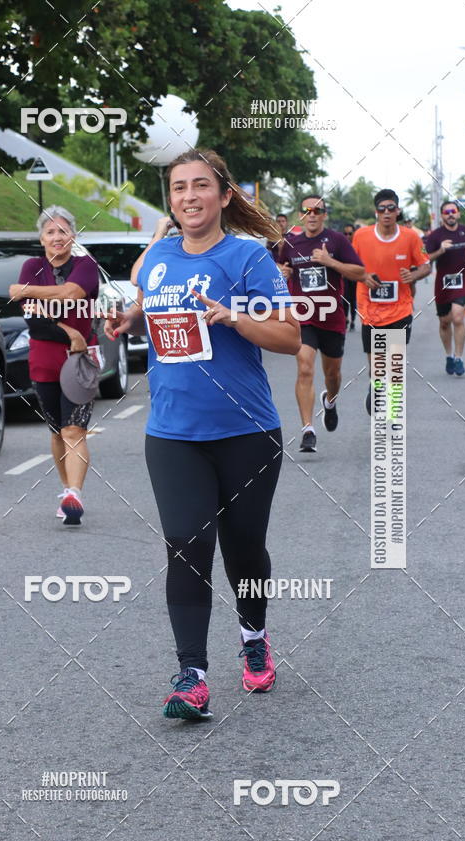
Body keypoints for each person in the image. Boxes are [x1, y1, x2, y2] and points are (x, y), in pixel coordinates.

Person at [106, 148, 300, 719]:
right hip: (172, 433)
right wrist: (131, 319)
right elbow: (150, 293)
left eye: (199, 186)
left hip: (246, 432)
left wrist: (234, 317)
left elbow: (289, 338)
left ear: (224, 195)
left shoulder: (248, 259)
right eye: (178, 187)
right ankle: (191, 674)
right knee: (188, 545)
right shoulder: (161, 255)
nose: (188, 196)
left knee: (244, 550)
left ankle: (253, 634)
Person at [9, 205, 99, 524]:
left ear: (72, 235)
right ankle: (65, 490)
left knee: (75, 429)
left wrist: (26, 292)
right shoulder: (32, 265)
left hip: (79, 360)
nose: (57, 237)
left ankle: (75, 493)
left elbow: (72, 293)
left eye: (63, 231)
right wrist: (69, 329)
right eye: (50, 231)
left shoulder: (86, 265)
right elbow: (34, 320)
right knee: (57, 430)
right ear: (41, 237)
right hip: (43, 360)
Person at [278, 197, 365, 452]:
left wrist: (331, 262)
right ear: (301, 215)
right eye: (307, 211)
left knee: (332, 375)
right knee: (305, 368)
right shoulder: (291, 243)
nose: (312, 215)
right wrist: (283, 274)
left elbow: (359, 273)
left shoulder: (337, 240)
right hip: (303, 317)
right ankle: (308, 429)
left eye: (317, 210)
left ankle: (330, 400)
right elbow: (281, 270)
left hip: (331, 318)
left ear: (325, 214)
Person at [352, 189, 430, 413]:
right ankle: (376, 386)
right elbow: (351, 266)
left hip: (400, 309)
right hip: (370, 310)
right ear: (375, 212)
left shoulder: (412, 237)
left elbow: (426, 265)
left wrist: (414, 275)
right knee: (376, 367)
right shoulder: (361, 236)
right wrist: (363, 276)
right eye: (381, 209)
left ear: (398, 211)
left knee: (394, 365)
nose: (386, 213)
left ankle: (392, 414)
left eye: (391, 208)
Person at [424, 201, 465, 374]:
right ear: (442, 216)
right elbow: (427, 259)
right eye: (447, 212)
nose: (450, 214)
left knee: (458, 317)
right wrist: (440, 250)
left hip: (462, 280)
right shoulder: (435, 236)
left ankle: (459, 358)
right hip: (443, 283)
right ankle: (449, 356)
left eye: (453, 211)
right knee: (445, 322)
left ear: (458, 214)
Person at [342, 224, 357, 329]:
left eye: (350, 233)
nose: (347, 236)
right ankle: (345, 318)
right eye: (345, 234)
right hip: (344, 276)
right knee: (345, 299)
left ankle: (353, 320)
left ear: (354, 234)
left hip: (355, 277)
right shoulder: (341, 245)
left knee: (353, 300)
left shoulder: (358, 245)